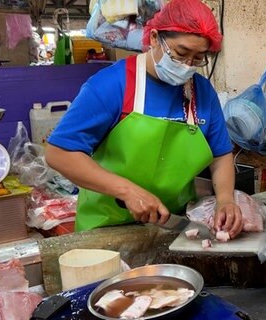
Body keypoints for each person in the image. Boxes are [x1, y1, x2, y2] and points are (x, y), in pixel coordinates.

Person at [45, 0, 244, 238]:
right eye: (180, 53)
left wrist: (225, 200)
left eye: (198, 58)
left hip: (175, 227)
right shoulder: (112, 85)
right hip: (107, 228)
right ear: (154, 38)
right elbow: (59, 153)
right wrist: (128, 191)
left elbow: (220, 154)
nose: (187, 65)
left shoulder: (202, 92)